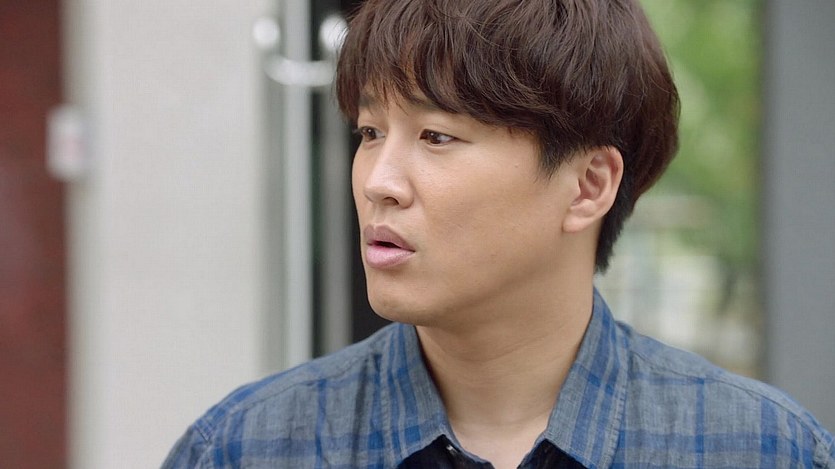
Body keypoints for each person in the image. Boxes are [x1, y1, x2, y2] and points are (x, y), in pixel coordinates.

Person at [164, 0, 835, 467]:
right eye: (370, 132)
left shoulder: (759, 449)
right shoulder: (245, 448)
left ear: (588, 185)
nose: (379, 181)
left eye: (436, 136)